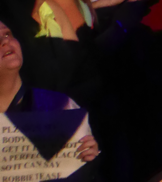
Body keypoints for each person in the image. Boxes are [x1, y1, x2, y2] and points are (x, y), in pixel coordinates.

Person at [0, 16, 99, 166]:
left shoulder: (60, 106)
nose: (5, 41)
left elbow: (78, 165)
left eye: (7, 34)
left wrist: (89, 155)